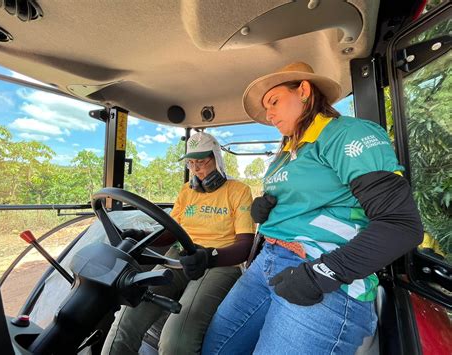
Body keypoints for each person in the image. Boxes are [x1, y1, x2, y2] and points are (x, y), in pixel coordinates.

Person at [202, 62, 424, 355]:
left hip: (323, 271)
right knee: (216, 348)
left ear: (304, 91)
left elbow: (401, 225)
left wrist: (323, 273)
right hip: (267, 261)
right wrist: (265, 209)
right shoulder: (288, 152)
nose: (268, 115)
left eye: (274, 101)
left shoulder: (346, 134)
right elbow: (308, 200)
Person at [102, 132, 256, 355]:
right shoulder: (187, 191)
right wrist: (139, 234)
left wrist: (209, 256)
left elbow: (244, 246)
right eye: (191, 163)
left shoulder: (239, 191)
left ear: (217, 159)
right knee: (127, 317)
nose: (196, 169)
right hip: (180, 256)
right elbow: (171, 232)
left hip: (220, 262)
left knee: (177, 340)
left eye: (202, 162)